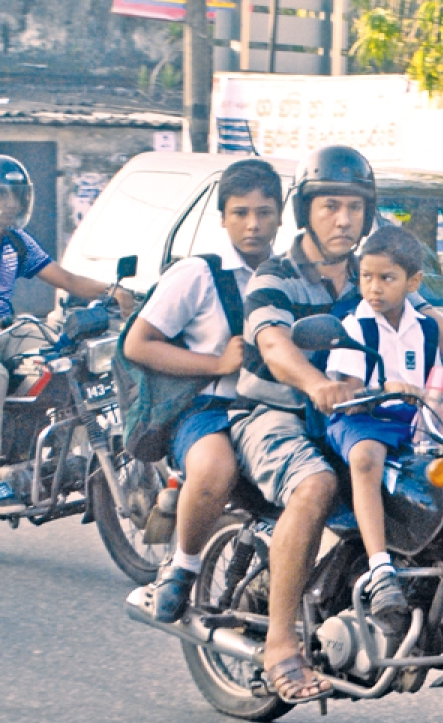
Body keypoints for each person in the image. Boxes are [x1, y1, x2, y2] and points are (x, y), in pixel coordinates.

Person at [232, 145, 443, 704]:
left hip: (364, 412)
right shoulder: (274, 275)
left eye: (354, 206)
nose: (344, 218)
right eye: (329, 205)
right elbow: (274, 344)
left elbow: (434, 329)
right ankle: (280, 644)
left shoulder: (375, 269)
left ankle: (411, 601)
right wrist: (317, 384)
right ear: (305, 210)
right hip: (277, 411)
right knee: (316, 485)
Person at [0, 154, 136, 513]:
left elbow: (67, 279)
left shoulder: (17, 243)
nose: (10, 204)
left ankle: (52, 454)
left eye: (16, 196)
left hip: (4, 333)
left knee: (68, 360)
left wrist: (112, 291)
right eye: (0, 195)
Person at [122, 159, 284, 623]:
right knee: (215, 468)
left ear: (280, 214)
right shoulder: (196, 274)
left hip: (277, 410)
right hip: (209, 409)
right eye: (240, 213)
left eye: (264, 212)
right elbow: (138, 344)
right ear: (222, 218)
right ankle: (183, 567)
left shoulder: (292, 273)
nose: (253, 225)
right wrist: (216, 363)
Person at [322, 226, 443, 644]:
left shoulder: (426, 329)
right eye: (366, 277)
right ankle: (380, 568)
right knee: (366, 459)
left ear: (414, 282)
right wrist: (387, 389)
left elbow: (441, 380)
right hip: (359, 420)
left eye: (386, 278)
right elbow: (349, 393)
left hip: (409, 424)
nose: (373, 288)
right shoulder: (355, 326)